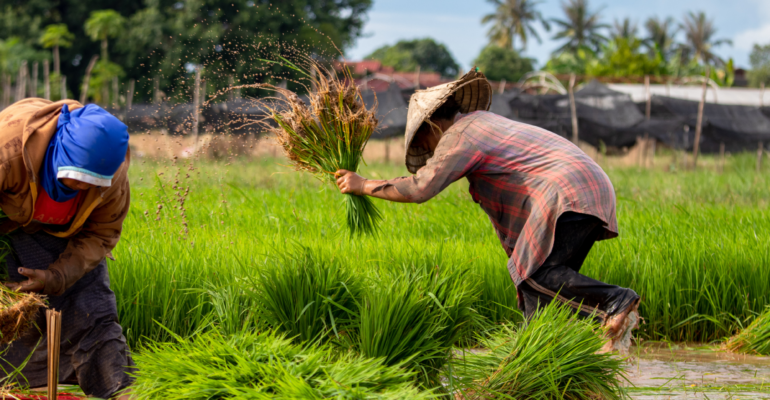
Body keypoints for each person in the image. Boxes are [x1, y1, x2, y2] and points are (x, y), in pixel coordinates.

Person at [335, 71, 640, 351]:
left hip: (567, 191)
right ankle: (544, 363)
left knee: (537, 275)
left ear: (430, 125)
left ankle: (615, 301)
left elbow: (419, 188)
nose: (430, 153)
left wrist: (362, 185)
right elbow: (514, 219)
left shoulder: (461, 135)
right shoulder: (484, 125)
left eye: (425, 144)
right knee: (540, 297)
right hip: (586, 187)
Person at [0, 98, 134, 398]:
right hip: (8, 226)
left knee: (93, 313)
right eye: (73, 176)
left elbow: (100, 236)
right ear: (58, 150)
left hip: (68, 238)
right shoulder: (7, 150)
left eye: (90, 182)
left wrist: (56, 277)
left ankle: (117, 392)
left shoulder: (113, 178)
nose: (79, 187)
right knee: (14, 319)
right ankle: (18, 390)